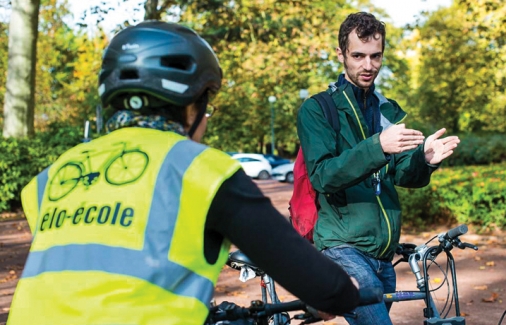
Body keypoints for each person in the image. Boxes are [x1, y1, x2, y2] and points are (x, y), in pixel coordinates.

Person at [7, 21, 360, 325]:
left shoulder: (56, 174)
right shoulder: (200, 169)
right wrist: (344, 293)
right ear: (193, 103)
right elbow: (317, 282)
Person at [296, 12, 460, 325]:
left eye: (375, 56)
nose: (368, 65)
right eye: (357, 56)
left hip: (384, 255)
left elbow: (401, 174)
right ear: (341, 55)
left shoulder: (387, 109)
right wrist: (378, 146)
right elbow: (323, 176)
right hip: (342, 248)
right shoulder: (318, 108)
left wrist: (424, 160)